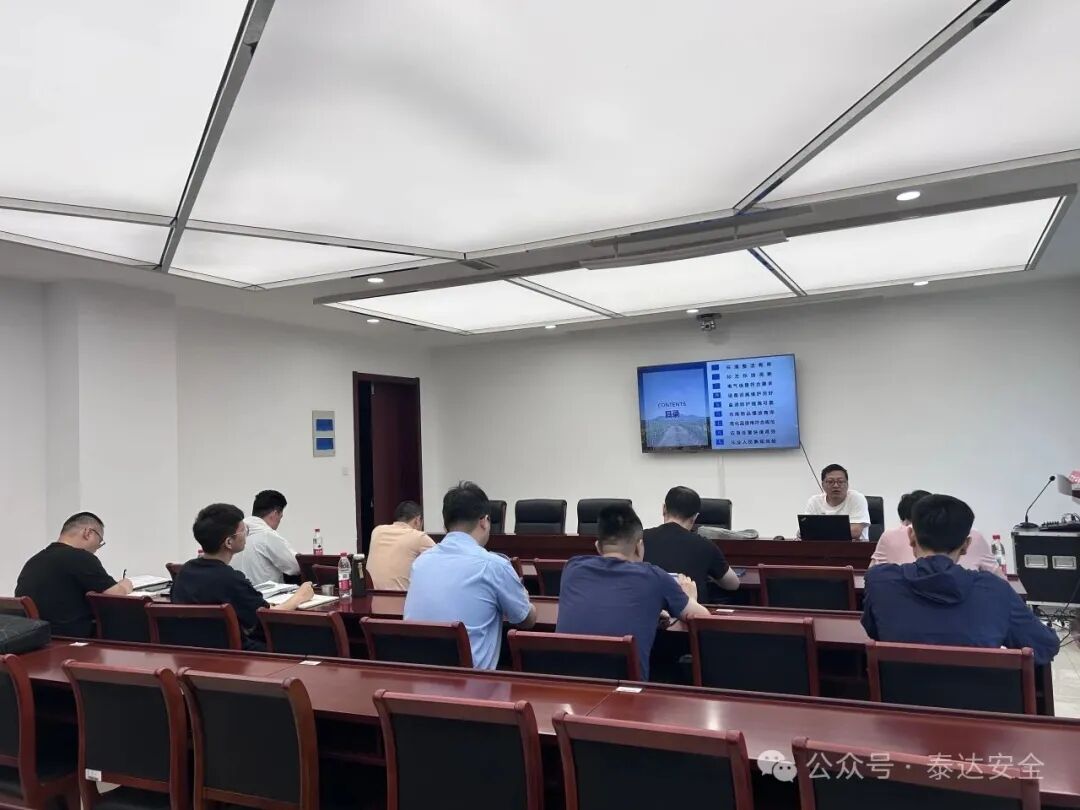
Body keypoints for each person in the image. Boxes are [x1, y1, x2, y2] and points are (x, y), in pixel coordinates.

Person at [862, 494, 1059, 665]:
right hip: (979, 696)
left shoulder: (880, 582)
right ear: (966, 545)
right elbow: (1045, 646)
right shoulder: (995, 591)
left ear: (911, 537)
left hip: (900, 696)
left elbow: (874, 630)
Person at [557, 503, 711, 679]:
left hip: (567, 684)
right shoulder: (654, 577)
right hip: (626, 689)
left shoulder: (572, 568)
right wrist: (692, 598)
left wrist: (651, 610)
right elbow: (704, 620)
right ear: (639, 547)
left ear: (598, 547)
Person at [404, 482, 535, 669]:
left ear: (446, 523)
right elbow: (526, 620)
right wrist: (525, 598)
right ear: (484, 521)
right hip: (471, 684)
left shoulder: (421, 562)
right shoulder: (493, 565)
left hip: (418, 680)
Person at [172, 503, 314, 650]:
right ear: (229, 542)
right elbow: (267, 616)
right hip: (237, 655)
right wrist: (299, 597)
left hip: (191, 653)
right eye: (244, 530)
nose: (247, 534)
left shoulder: (184, 572)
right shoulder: (230, 580)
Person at [15, 512, 133, 638]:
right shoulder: (81, 558)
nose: (97, 548)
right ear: (88, 533)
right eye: (100, 541)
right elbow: (115, 595)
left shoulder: (34, 561)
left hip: (33, 639)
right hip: (70, 639)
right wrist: (125, 585)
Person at [870, 489, 1002, 575]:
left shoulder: (883, 582)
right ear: (965, 544)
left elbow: (870, 579)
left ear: (912, 537)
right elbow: (1002, 583)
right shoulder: (974, 536)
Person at [643, 486, 739, 601]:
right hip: (690, 610)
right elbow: (733, 584)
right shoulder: (705, 545)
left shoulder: (640, 539)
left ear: (664, 509)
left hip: (648, 609)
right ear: (695, 517)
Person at [231, 490, 300, 585]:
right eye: (280, 517)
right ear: (275, 514)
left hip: (236, 592)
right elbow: (296, 567)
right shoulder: (268, 536)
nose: (279, 522)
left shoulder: (235, 535)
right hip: (265, 593)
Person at [367, 500, 435, 590]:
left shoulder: (377, 531)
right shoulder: (418, 536)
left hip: (371, 595)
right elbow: (442, 558)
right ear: (417, 520)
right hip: (400, 597)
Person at [803, 464, 871, 540]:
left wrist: (819, 530)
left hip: (853, 546)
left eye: (840, 482)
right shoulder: (814, 501)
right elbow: (805, 530)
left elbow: (855, 532)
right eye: (830, 482)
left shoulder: (856, 498)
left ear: (847, 484)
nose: (835, 485)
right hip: (822, 546)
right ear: (823, 485)